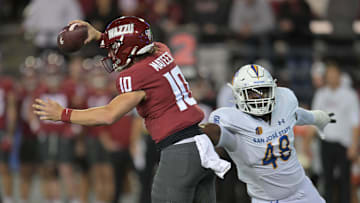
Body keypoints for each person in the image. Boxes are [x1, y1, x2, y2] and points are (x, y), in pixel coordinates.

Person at [33, 16, 218, 203]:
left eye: (114, 48)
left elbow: (109, 114)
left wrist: (63, 114)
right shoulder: (162, 51)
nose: (112, 53)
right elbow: (135, 43)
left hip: (179, 151)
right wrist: (99, 36)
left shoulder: (136, 75)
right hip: (201, 145)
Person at [201, 64, 336, 203]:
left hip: (302, 190)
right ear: (238, 95)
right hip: (268, 199)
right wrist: (195, 132)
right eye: (252, 93)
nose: (259, 97)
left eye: (263, 91)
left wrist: (319, 118)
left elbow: (298, 115)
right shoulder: (235, 123)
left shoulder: (284, 103)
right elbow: (215, 132)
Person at [312, 62, 359, 203]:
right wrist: (309, 142)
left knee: (345, 181)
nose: (332, 78)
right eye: (329, 75)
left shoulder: (349, 95)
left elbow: (355, 122)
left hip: (343, 143)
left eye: (334, 75)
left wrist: (354, 146)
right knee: (327, 180)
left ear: (339, 76)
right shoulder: (321, 94)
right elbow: (314, 118)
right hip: (326, 142)